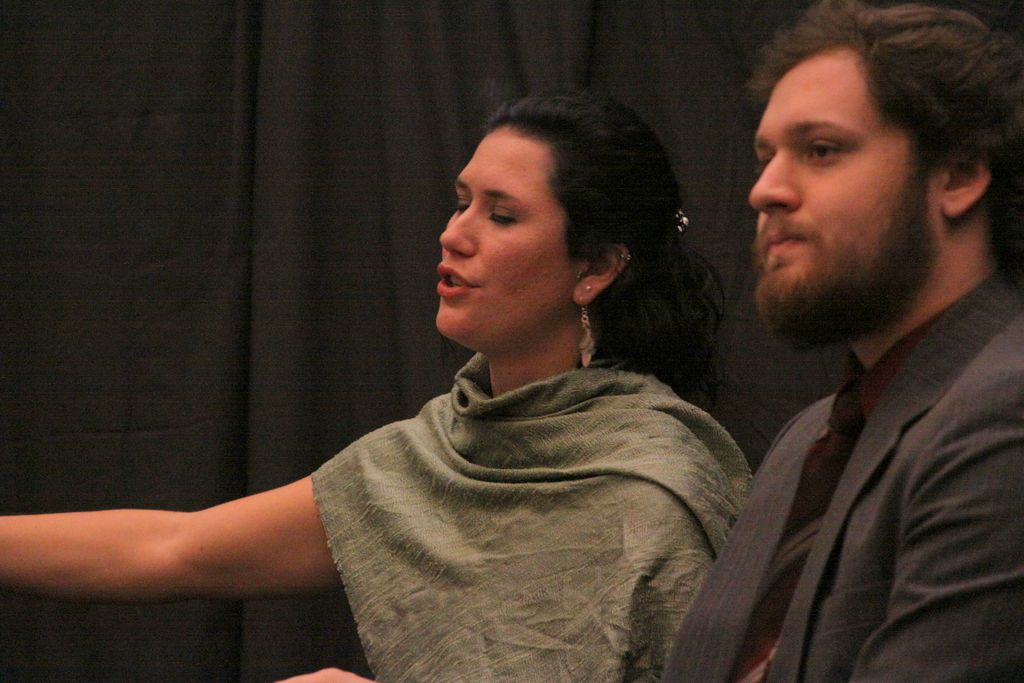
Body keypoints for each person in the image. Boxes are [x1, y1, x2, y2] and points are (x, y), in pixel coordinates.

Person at [0, 91, 750, 682]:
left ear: (597, 268)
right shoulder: (432, 457)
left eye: (501, 215)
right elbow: (176, 548)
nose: (454, 234)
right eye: (462, 200)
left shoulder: (652, 489)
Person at [662, 1, 1024, 681]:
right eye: (766, 156)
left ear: (957, 175)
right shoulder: (807, 441)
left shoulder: (1005, 415)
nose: (765, 190)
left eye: (821, 150)